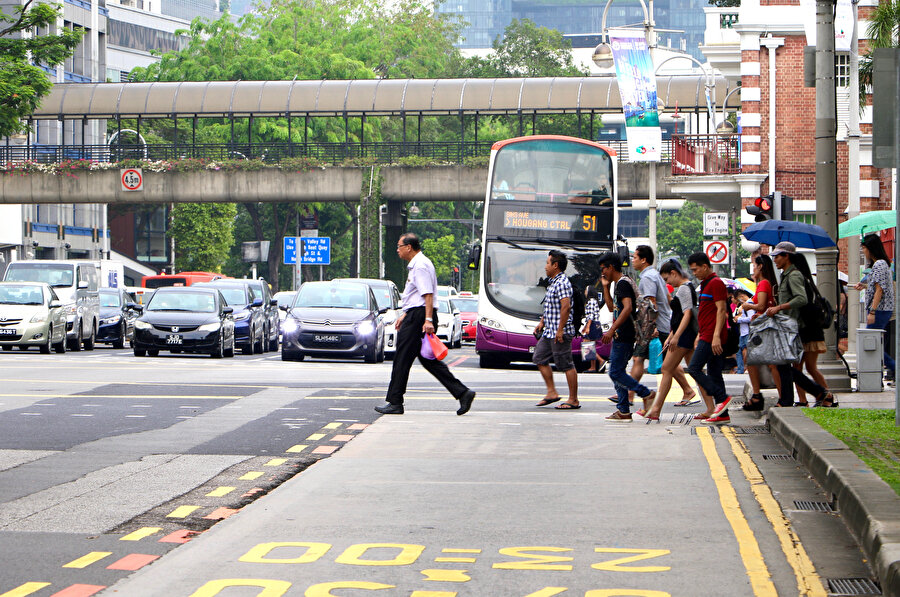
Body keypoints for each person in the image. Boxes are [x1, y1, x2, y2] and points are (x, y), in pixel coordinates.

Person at [375, 233, 475, 416]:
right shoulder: (418, 264)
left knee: (402, 358)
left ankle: (395, 402)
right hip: (416, 315)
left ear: (409, 247)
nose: (397, 250)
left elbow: (427, 295)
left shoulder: (420, 265)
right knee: (429, 361)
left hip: (420, 318)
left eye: (399, 246)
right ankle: (463, 393)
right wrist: (406, 314)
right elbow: (417, 297)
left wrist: (427, 320)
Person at [764, 241, 835, 408]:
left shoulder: (794, 275)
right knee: (784, 365)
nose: (774, 260)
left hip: (791, 326)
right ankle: (791, 399)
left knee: (785, 365)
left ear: (786, 256)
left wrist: (779, 307)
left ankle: (816, 392)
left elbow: (801, 299)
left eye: (777, 256)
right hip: (786, 325)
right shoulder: (786, 275)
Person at [626, 246, 695, 416]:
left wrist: (655, 326)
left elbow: (652, 304)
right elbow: (670, 301)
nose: (632, 260)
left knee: (641, 358)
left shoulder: (649, 277)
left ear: (644, 260)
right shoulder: (655, 275)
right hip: (668, 326)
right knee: (670, 365)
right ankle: (685, 392)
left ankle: (630, 395)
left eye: (634, 257)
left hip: (658, 326)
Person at [644, 259, 710, 420]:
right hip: (684, 335)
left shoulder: (683, 289)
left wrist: (676, 336)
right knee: (696, 371)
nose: (668, 283)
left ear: (673, 274)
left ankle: (656, 410)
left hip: (685, 336)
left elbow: (686, 314)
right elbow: (680, 316)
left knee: (667, 368)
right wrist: (672, 335)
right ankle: (712, 407)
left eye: (667, 279)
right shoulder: (686, 288)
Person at [599, 252, 655, 422]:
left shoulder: (623, 284)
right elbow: (611, 308)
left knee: (615, 371)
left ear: (611, 267)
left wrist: (611, 330)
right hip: (622, 334)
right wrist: (605, 287)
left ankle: (646, 393)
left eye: (604, 269)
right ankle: (623, 410)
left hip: (624, 334)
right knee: (618, 372)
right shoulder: (619, 284)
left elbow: (627, 308)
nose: (602, 273)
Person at [685, 252, 732, 424]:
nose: (694, 273)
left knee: (694, 369)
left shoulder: (716, 283)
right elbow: (707, 312)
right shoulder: (706, 284)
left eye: (696, 269)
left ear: (705, 266)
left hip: (713, 336)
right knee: (714, 373)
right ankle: (723, 414)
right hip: (706, 334)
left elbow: (721, 311)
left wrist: (716, 336)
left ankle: (722, 397)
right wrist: (699, 334)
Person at [533, 250, 580, 409]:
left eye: (548, 263)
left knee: (566, 364)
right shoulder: (553, 282)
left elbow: (565, 307)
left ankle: (573, 399)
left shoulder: (562, 283)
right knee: (539, 357)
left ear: (555, 265)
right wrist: (542, 322)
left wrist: (560, 330)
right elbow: (551, 306)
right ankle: (551, 392)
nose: (545, 267)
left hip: (560, 333)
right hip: (549, 332)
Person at [741, 254, 782, 411]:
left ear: (760, 266)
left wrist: (748, 306)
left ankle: (762, 396)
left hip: (765, 328)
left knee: (767, 363)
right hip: (766, 327)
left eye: (754, 265)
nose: (753, 269)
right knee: (758, 361)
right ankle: (764, 396)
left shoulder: (764, 283)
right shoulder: (766, 283)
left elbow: (762, 305)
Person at [855, 234, 895, 382]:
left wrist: (872, 310)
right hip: (883, 309)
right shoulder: (884, 263)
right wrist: (865, 286)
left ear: (871, 249)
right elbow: (878, 286)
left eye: (864, 248)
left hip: (879, 310)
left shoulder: (879, 265)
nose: (863, 252)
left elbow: (879, 290)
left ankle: (894, 367)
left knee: (871, 342)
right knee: (874, 342)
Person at [581, 285, 603, 373]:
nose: (584, 292)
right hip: (595, 324)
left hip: (592, 324)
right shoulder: (595, 301)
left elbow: (590, 316)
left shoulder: (590, 301)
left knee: (587, 344)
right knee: (590, 345)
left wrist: (588, 327)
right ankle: (592, 367)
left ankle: (601, 360)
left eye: (586, 290)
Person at [733, 290, 753, 374]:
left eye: (738, 299)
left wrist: (739, 319)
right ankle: (741, 369)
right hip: (743, 331)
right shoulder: (745, 305)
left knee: (744, 350)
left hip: (747, 331)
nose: (738, 302)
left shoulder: (749, 304)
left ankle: (745, 367)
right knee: (739, 351)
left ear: (741, 296)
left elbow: (751, 318)